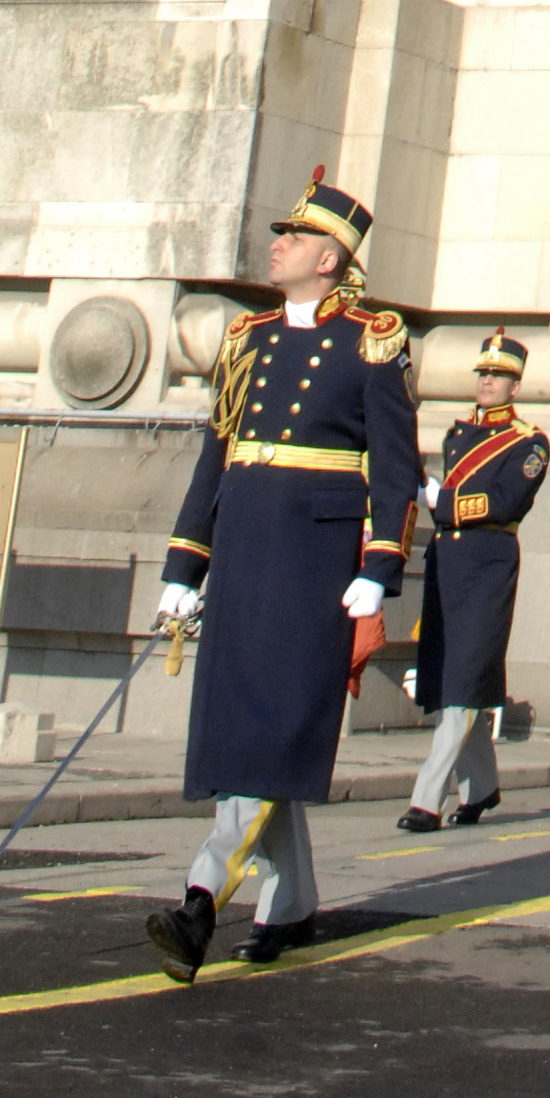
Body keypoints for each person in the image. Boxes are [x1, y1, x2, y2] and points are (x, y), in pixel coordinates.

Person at [145, 169, 421, 980]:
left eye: (292, 236)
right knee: (252, 728)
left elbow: (396, 470)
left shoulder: (374, 337)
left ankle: (201, 899)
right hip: (245, 549)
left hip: (315, 561)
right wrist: (184, 564)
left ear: (331, 258)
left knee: (274, 724)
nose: (276, 245)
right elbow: (214, 458)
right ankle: (291, 900)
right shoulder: (247, 338)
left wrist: (379, 566)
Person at [398, 330, 549, 833]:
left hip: (488, 562)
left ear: (516, 385)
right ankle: (482, 788)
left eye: (498, 375)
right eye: (483, 373)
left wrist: (439, 502)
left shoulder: (530, 441)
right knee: (453, 678)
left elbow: (505, 501)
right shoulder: (458, 431)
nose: (487, 381)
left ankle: (425, 800)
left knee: (463, 681)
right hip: (449, 561)